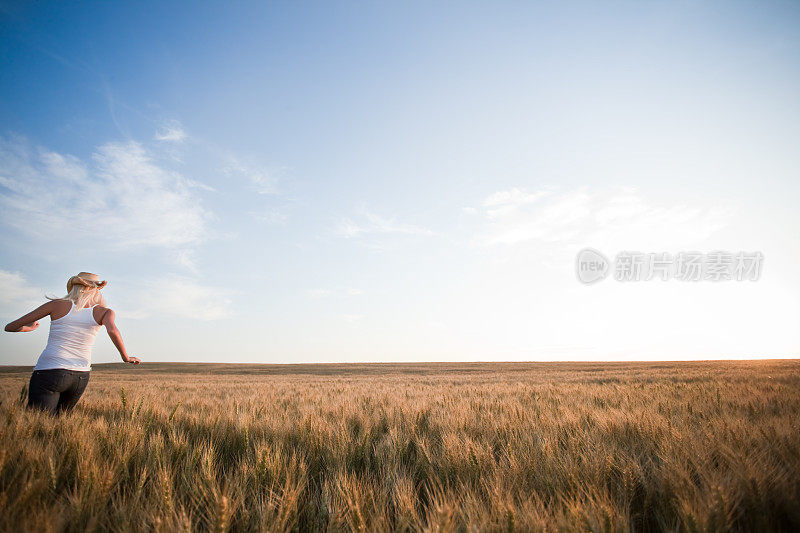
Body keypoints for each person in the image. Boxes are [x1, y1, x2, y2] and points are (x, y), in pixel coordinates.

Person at [4, 272, 140, 414]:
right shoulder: (105, 312)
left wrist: (29, 328)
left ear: (73, 287)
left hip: (49, 371)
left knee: (37, 422)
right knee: (60, 422)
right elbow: (113, 331)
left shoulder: (55, 305)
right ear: (95, 289)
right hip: (80, 375)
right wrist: (126, 357)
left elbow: (10, 327)